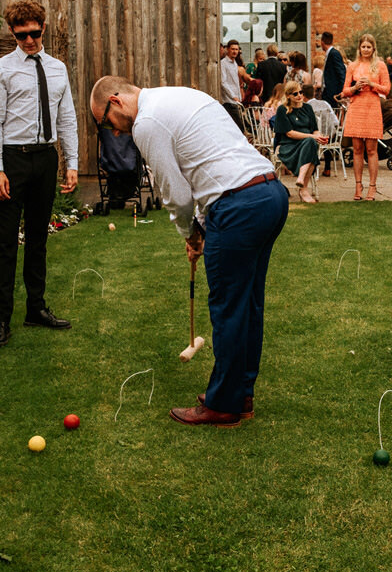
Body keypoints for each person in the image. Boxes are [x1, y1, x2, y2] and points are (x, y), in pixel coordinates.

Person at [90, 76, 289, 428]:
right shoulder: (177, 96)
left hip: (240, 205)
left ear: (116, 101)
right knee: (248, 302)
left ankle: (224, 405)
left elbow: (176, 192)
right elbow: (205, 168)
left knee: (228, 307)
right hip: (269, 194)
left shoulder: (147, 123)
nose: (114, 132)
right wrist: (201, 226)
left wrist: (192, 234)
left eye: (106, 122)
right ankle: (240, 394)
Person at [0, 0, 78, 348]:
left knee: (38, 239)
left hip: (45, 159)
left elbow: (67, 117)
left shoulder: (57, 69)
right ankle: (0, 321)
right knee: (6, 243)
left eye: (34, 34)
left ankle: (35, 309)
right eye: (22, 36)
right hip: (13, 161)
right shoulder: (2, 69)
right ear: (13, 33)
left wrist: (71, 163)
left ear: (43, 28)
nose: (29, 41)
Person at [342, 33, 391, 201]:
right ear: (359, 48)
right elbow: (344, 91)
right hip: (356, 108)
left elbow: (387, 89)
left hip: (372, 109)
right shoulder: (352, 66)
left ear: (373, 48)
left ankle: (372, 185)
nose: (366, 49)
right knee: (356, 149)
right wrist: (355, 87)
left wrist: (372, 85)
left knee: (371, 149)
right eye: (363, 46)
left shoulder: (380, 66)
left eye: (369, 47)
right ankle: (357, 184)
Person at [274, 82, 327, 204]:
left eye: (301, 92)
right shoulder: (282, 109)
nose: (299, 95)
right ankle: (303, 189)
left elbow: (315, 129)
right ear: (288, 96)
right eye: (295, 93)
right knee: (311, 143)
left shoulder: (307, 108)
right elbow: (289, 133)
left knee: (311, 143)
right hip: (289, 145)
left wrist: (320, 137)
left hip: (307, 144)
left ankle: (301, 181)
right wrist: (312, 136)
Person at [220, 39, 247, 132]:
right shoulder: (223, 63)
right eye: (233, 49)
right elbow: (223, 82)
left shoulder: (235, 63)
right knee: (240, 127)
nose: (235, 51)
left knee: (237, 127)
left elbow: (236, 82)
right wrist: (233, 96)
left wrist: (239, 96)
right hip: (228, 100)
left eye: (236, 49)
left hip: (236, 101)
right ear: (228, 49)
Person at [320, 32, 347, 107]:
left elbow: (341, 73)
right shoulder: (330, 54)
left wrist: (341, 93)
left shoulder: (334, 54)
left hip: (333, 93)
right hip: (328, 93)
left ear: (322, 42)